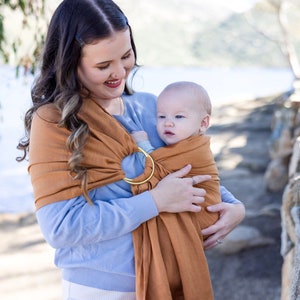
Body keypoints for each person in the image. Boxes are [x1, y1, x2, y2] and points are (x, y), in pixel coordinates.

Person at [16, 0, 245, 299]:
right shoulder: (55, 122)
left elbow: (190, 168)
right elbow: (61, 228)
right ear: (70, 62)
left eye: (125, 56)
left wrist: (234, 206)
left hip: (174, 276)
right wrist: (156, 201)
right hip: (101, 289)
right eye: (102, 65)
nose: (119, 73)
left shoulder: (153, 107)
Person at [129, 81, 222, 299]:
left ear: (203, 123)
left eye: (179, 117)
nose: (168, 123)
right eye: (161, 117)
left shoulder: (196, 149)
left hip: (201, 214)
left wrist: (144, 145)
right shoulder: (182, 143)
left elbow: (162, 169)